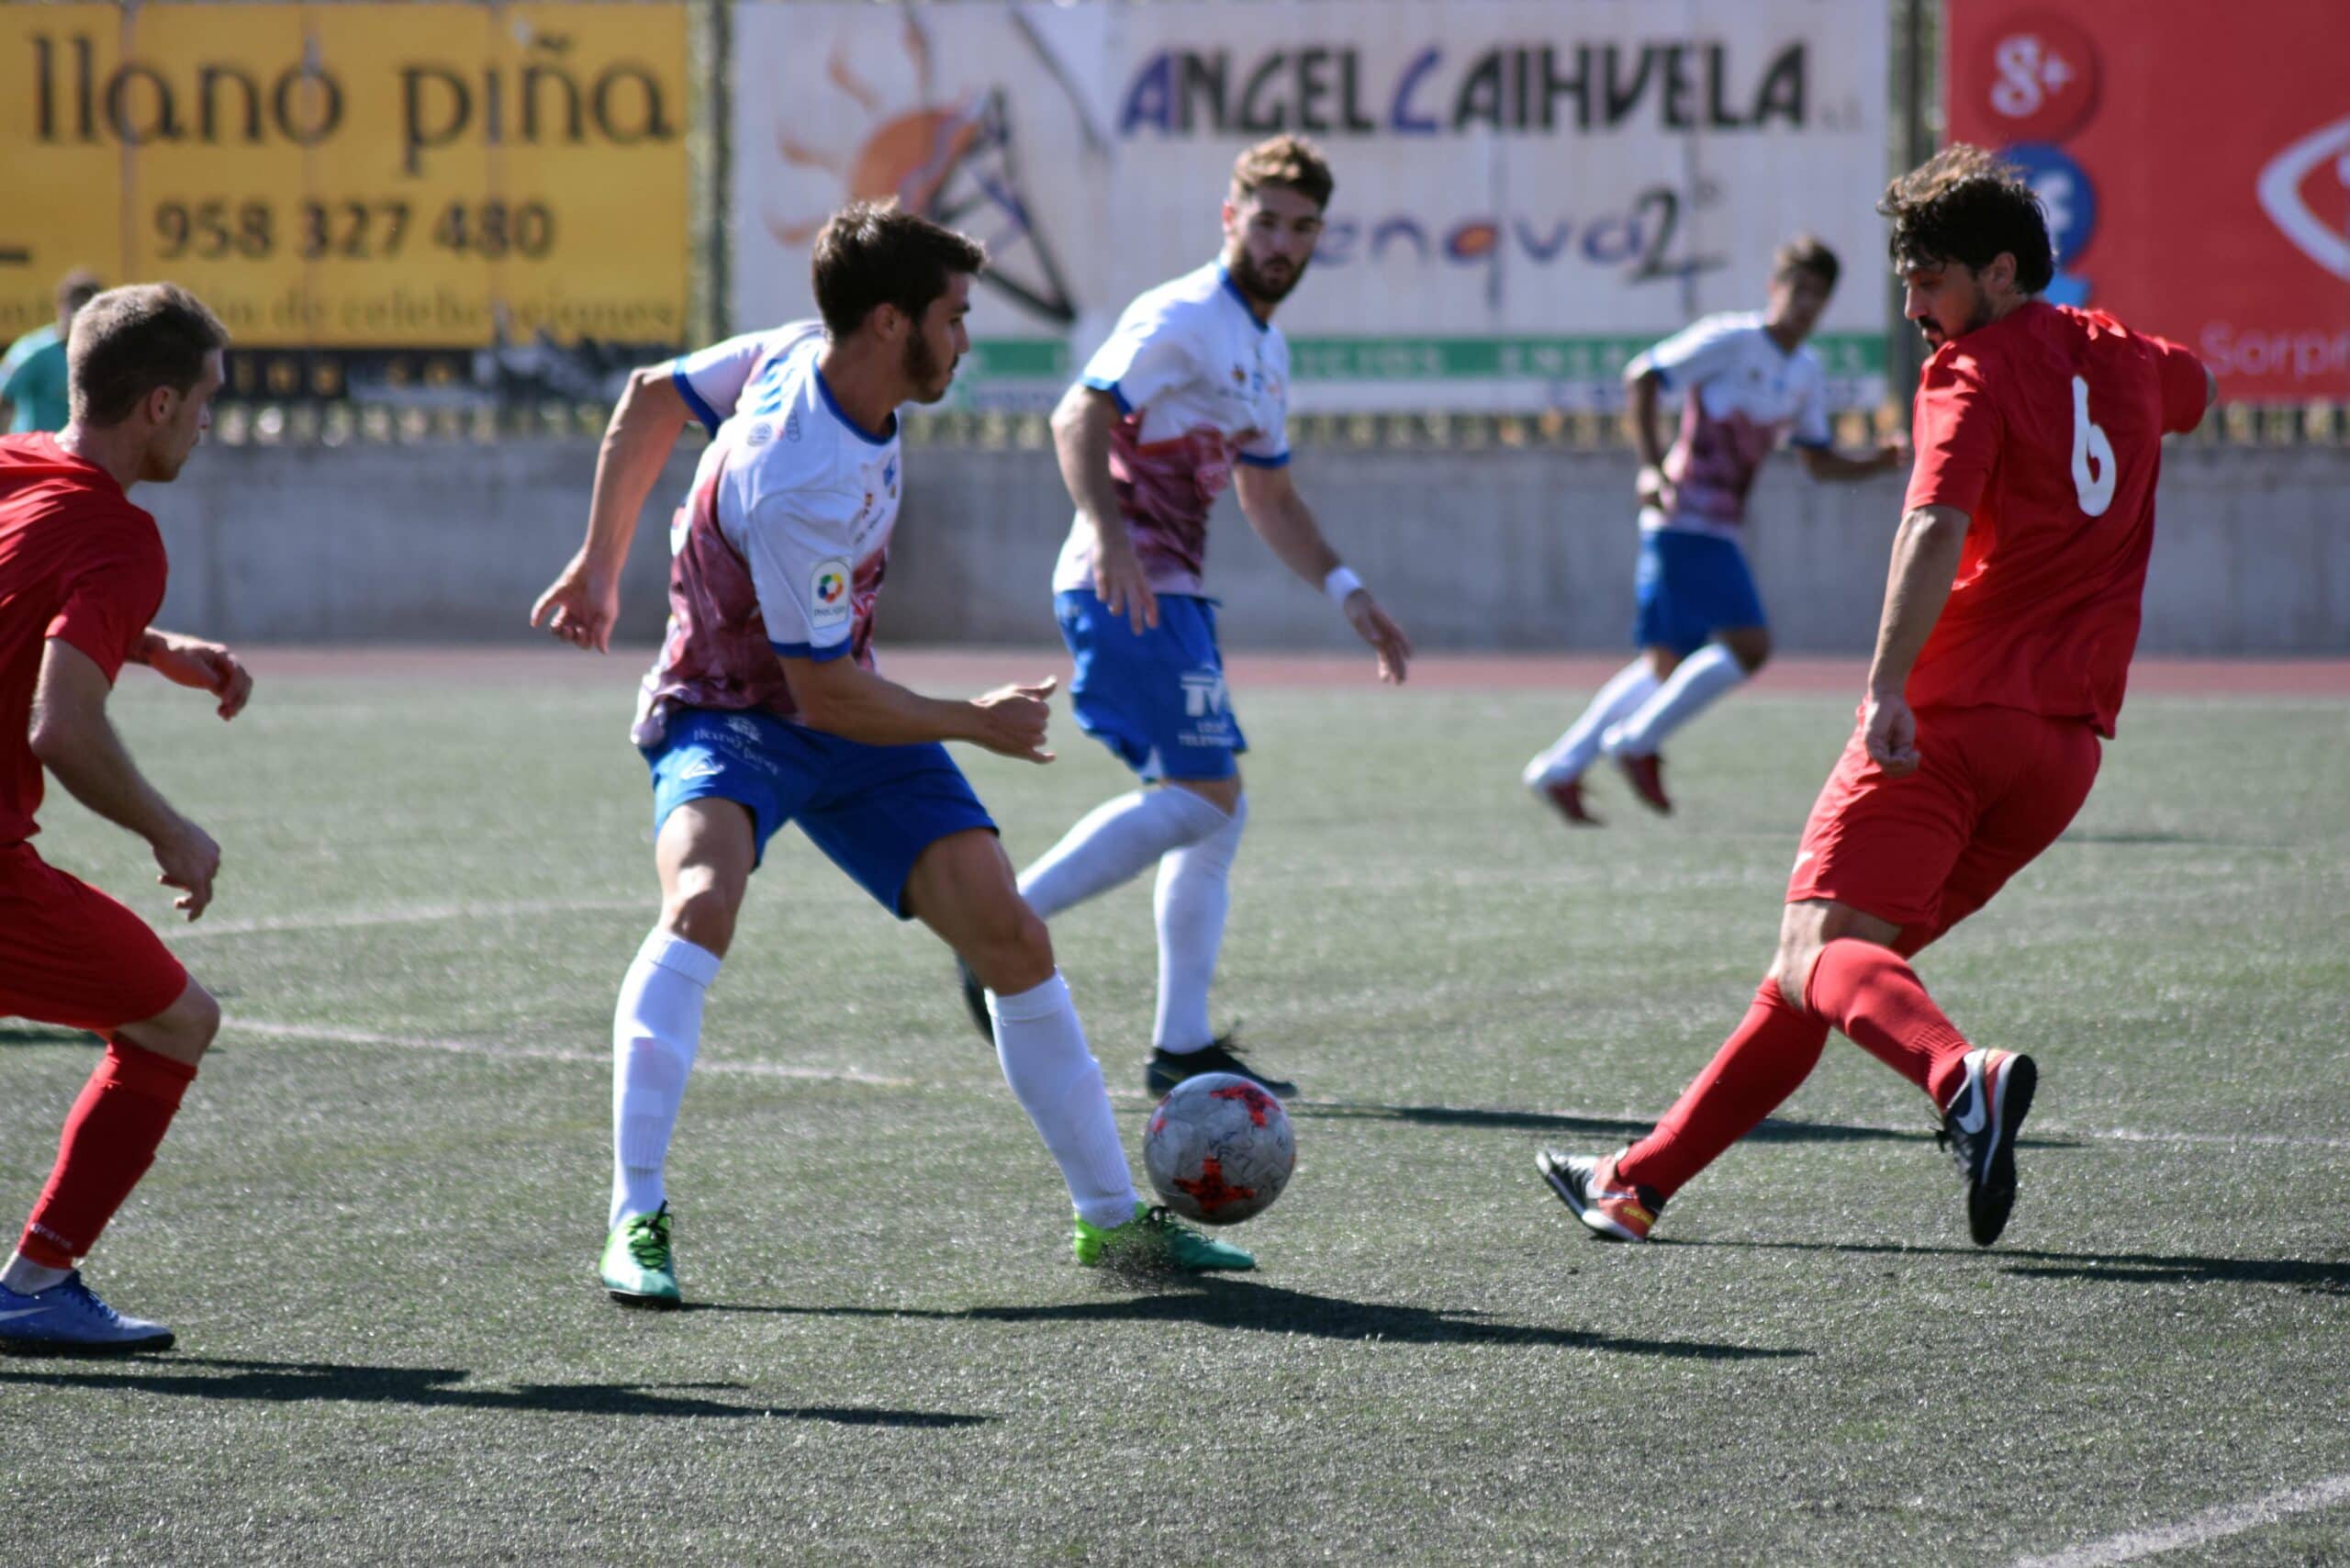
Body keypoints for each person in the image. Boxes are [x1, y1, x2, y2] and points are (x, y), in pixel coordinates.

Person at [530, 203, 1253, 1309]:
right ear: (887, 322)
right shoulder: (797, 475)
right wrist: (972, 719)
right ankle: (636, 1215)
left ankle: (1113, 1225)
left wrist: (597, 565)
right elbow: (819, 693)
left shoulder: (794, 352)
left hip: (845, 701)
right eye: (954, 319)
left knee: (1009, 932)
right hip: (731, 710)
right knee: (701, 903)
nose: (964, 342)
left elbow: (646, 399)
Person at [1536, 147, 2217, 1247]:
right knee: (1822, 972)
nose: (1911, 309)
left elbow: (1931, 524)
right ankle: (1635, 1182)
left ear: (2001, 273)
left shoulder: (1971, 372)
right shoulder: (2129, 356)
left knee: (1823, 956)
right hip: (2063, 757)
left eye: (1930, 279)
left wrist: (1884, 688)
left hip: (1950, 721)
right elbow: (2201, 387)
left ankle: (1963, 1078)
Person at [962, 134, 1413, 1103]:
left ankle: (1180, 1043)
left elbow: (1272, 500)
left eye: (1301, 228)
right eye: (1266, 222)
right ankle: (997, 924)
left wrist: (1349, 590)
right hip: (1121, 584)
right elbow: (1075, 415)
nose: (1282, 243)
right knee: (1207, 796)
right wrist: (1109, 536)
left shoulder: (1264, 347)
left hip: (1174, 595)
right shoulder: (1180, 315)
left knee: (1215, 809)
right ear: (1229, 219)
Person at [0, 284, 255, 1352]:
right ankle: (36, 1282)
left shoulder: (14, 461)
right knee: (173, 1019)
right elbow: (63, 727)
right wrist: (169, 829)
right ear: (155, 404)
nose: (209, 421)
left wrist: (149, 643)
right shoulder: (122, 538)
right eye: (204, 398)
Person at [1522, 239, 1907, 823]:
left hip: (1719, 529)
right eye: (1796, 289)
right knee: (1749, 646)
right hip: (1681, 518)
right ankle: (1635, 742)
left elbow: (1816, 460)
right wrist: (1651, 467)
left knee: (1664, 664)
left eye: (1817, 295)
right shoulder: (1731, 339)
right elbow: (1644, 377)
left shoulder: (1805, 371)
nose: (1803, 304)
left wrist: (1877, 463)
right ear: (1774, 288)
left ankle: (1559, 768)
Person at [1, 271, 104, 435]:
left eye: (86, 306)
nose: (78, 314)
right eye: (74, 305)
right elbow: (4, 397)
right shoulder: (33, 351)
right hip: (36, 455)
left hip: (80, 455)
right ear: (60, 306)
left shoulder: (105, 355)